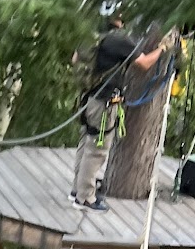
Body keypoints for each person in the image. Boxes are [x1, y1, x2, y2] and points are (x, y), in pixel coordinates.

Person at [71, 18, 179, 208]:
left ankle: (77, 190)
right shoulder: (119, 40)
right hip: (104, 102)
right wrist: (163, 47)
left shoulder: (92, 34)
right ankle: (85, 197)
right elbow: (145, 63)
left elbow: (75, 58)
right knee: (97, 149)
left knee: (86, 141)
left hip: (88, 97)